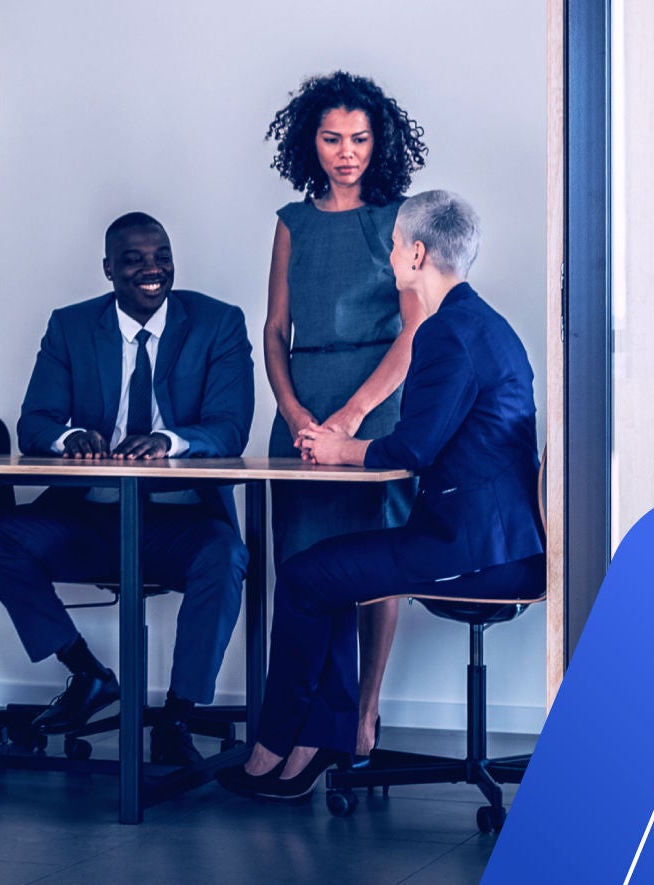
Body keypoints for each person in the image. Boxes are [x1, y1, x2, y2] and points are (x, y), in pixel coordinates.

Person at [217, 191, 544, 800]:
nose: (390, 254)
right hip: (492, 538)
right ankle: (313, 739)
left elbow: (413, 450)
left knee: (307, 576)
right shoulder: (478, 323)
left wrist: (342, 448)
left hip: (473, 551)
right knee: (327, 570)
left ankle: (277, 746)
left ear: (417, 253)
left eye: (395, 244)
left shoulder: (448, 334)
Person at [0, 212, 254, 766]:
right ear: (109, 268)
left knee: (225, 555)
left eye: (161, 255)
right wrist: (69, 438)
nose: (151, 268)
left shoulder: (218, 324)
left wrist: (168, 439)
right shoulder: (70, 326)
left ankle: (178, 715)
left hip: (177, 521)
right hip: (91, 516)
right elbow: (34, 422)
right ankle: (87, 673)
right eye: (134, 259)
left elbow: (230, 427)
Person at [263, 71, 429, 761]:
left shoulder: (401, 220)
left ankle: (363, 715)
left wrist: (350, 417)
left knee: (371, 569)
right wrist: (300, 412)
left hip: (376, 408)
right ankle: (305, 728)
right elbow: (274, 331)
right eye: (332, 138)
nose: (347, 152)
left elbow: (415, 333)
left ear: (378, 141)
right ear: (312, 142)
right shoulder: (291, 222)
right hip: (301, 412)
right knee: (302, 571)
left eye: (359, 138)